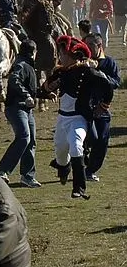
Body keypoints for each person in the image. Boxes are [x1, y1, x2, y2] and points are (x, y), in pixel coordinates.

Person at [43, 35, 112, 199]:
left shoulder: (87, 72)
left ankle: (79, 188)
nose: (60, 57)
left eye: (63, 54)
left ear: (72, 55)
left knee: (76, 145)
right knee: (60, 151)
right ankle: (63, 167)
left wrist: (103, 106)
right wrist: (48, 88)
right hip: (62, 119)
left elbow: (107, 86)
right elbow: (44, 88)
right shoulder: (60, 72)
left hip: (78, 118)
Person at [0, 40, 42, 188]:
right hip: (16, 108)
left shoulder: (27, 65)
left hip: (26, 109)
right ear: (33, 52)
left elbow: (30, 88)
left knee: (31, 140)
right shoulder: (22, 65)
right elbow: (14, 81)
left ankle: (27, 176)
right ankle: (2, 171)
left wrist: (46, 94)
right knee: (23, 137)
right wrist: (26, 96)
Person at [83, 34, 118, 182]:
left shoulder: (109, 63)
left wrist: (100, 74)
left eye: (91, 45)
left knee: (102, 141)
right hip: (84, 107)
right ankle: (82, 154)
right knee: (91, 138)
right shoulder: (82, 62)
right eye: (86, 44)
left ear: (99, 46)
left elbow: (116, 82)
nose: (88, 48)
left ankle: (90, 170)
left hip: (102, 107)